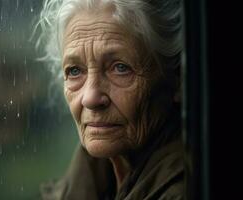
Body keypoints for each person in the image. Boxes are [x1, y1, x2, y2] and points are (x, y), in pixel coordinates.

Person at [36, 0, 184, 199]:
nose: (90, 98)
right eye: (75, 71)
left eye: (120, 68)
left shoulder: (189, 187)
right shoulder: (92, 177)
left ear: (179, 77)